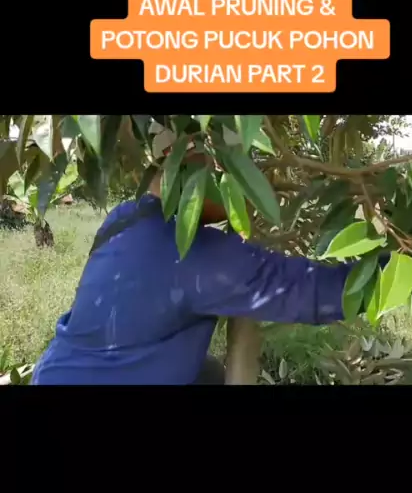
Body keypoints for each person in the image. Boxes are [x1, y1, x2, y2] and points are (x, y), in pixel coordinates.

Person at [31, 153, 373, 386]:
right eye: (233, 177)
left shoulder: (124, 217)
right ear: (198, 181)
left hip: (55, 371)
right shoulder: (199, 258)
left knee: (208, 371)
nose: (244, 194)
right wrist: (401, 267)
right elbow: (317, 293)